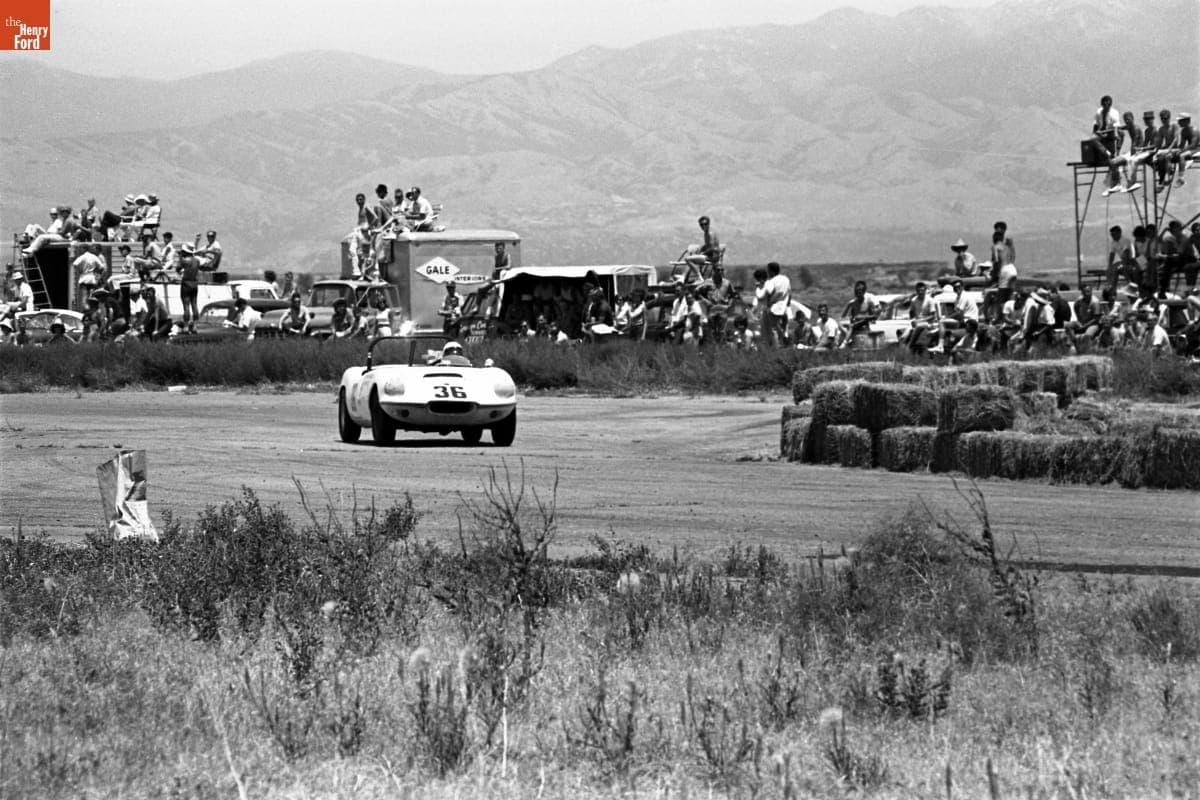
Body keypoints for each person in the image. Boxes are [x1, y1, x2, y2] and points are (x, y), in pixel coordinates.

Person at [755, 262, 791, 347]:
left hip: (773, 308)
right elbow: (789, 293)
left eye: (768, 270)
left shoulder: (771, 282)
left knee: (772, 329)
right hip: (783, 308)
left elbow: (762, 295)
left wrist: (758, 287)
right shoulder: (786, 279)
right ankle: (783, 339)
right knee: (778, 327)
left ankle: (776, 347)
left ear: (771, 271)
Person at [840, 280, 880, 347]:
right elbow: (843, 316)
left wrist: (863, 317)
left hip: (863, 323)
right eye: (857, 292)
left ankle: (844, 343)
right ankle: (848, 338)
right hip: (855, 324)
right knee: (840, 324)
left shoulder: (869, 302)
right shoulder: (852, 303)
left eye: (860, 291)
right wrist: (848, 306)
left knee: (851, 326)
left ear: (864, 292)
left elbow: (875, 316)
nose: (858, 294)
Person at [900, 282, 938, 352]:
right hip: (916, 322)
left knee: (919, 327)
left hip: (927, 322)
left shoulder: (930, 300)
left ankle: (910, 345)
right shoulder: (914, 300)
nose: (920, 292)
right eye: (918, 291)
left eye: (922, 290)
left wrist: (920, 320)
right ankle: (902, 352)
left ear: (925, 290)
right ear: (916, 291)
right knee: (903, 337)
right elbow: (911, 312)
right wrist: (913, 319)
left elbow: (933, 316)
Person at [176, 243, 201, 333]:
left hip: (186, 283)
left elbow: (177, 269)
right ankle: (195, 325)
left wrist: (180, 257)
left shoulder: (184, 260)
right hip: (194, 283)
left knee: (186, 306)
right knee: (194, 305)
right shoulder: (197, 260)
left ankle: (186, 326)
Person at [1067, 283, 1103, 348]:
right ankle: (1073, 345)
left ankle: (1086, 348)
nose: (1086, 293)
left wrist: (1084, 326)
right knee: (1067, 325)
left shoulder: (1095, 302)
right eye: (1084, 292)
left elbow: (1096, 319)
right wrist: (1079, 318)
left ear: (1091, 291)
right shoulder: (1079, 300)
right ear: (1082, 292)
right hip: (1082, 322)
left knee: (1087, 335)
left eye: (1088, 291)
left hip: (1093, 324)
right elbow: (1075, 307)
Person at [1106, 225, 1137, 291]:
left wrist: (1124, 265)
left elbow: (1126, 253)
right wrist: (1109, 266)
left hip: (1132, 261)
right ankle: (1112, 290)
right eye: (1111, 234)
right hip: (1124, 261)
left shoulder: (1125, 240)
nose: (1112, 236)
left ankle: (1132, 288)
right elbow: (1112, 254)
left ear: (1119, 233)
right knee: (1112, 270)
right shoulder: (1113, 242)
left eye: (1114, 234)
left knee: (1122, 269)